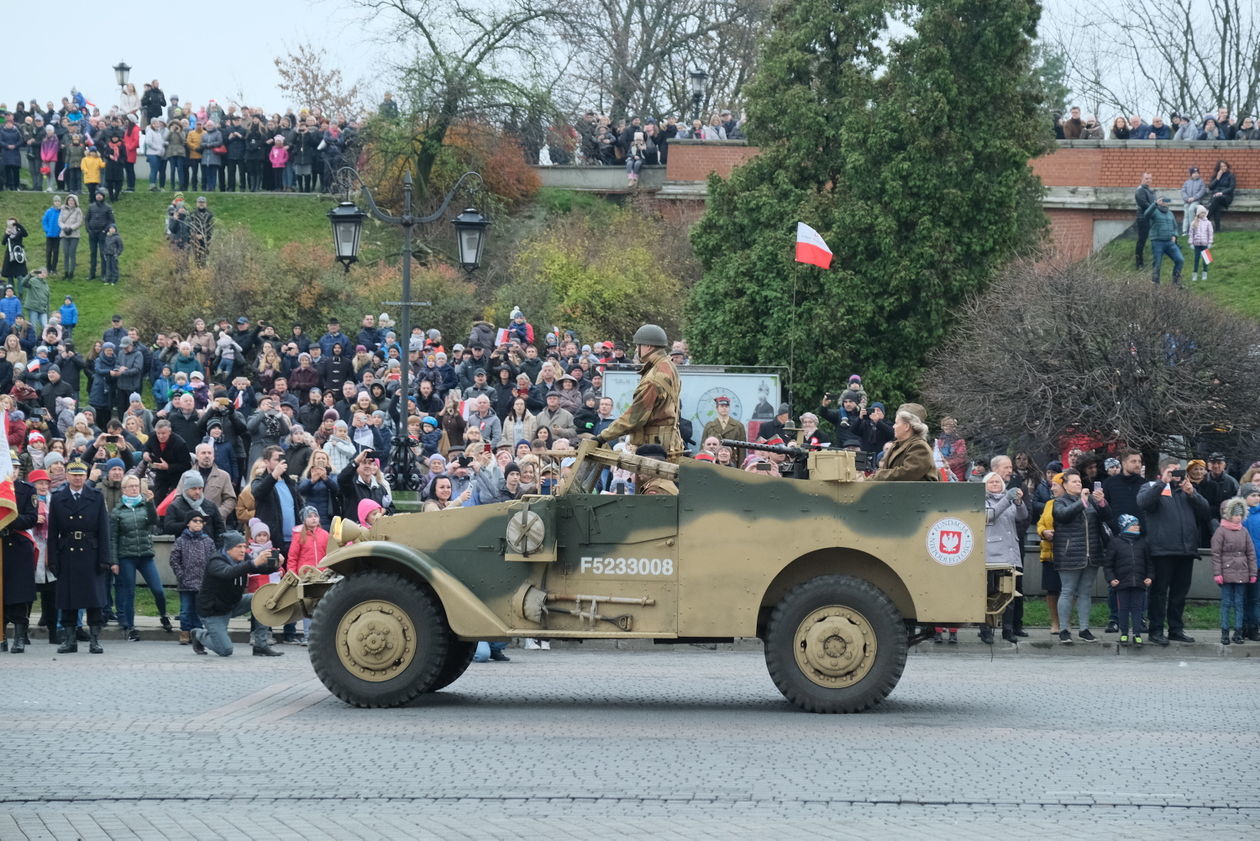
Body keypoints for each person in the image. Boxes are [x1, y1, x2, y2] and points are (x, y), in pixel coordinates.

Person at [1138, 457, 1209, 646]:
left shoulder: (1187, 491)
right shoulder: (1152, 487)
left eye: (1179, 471)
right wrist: (1163, 483)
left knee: (1179, 593)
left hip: (1186, 551)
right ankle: (1156, 630)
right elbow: (1144, 503)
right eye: (1172, 471)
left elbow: (1205, 511)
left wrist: (1192, 493)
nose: (1176, 475)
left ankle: (1176, 629)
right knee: (1159, 593)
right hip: (1162, 550)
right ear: (1162, 472)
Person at [49, 460, 112, 654]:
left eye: (81, 474)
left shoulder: (96, 496)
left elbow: (104, 530)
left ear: (86, 476)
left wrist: (105, 557)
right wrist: (52, 559)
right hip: (67, 552)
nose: (78, 478)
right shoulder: (58, 498)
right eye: (74, 474)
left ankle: (94, 640)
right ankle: (69, 641)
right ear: (67, 476)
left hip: (90, 552)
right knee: (68, 600)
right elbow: (52, 532)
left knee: (94, 600)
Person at [594, 324, 683, 460]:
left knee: (650, 482)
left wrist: (602, 437)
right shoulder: (668, 366)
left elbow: (634, 418)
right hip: (667, 442)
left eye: (638, 345)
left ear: (649, 346)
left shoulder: (654, 378)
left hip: (653, 448)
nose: (636, 349)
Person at [191, 530, 283, 657]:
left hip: (233, 604)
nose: (243, 550)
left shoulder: (243, 558)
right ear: (228, 549)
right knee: (226, 650)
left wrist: (276, 565)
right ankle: (199, 635)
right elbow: (229, 572)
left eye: (244, 546)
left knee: (263, 599)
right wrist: (254, 562)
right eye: (239, 547)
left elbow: (260, 568)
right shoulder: (215, 561)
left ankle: (260, 645)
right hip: (213, 611)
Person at [110, 474, 169, 642]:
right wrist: (114, 561)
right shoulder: (117, 511)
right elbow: (113, 538)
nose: (135, 488)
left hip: (145, 555)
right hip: (126, 556)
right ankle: (130, 627)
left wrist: (151, 503)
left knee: (158, 589)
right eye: (131, 486)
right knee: (129, 592)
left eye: (137, 486)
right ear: (124, 490)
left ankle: (164, 615)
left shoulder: (145, 504)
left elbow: (154, 521)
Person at [1052, 468, 1108, 643]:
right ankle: (1064, 630)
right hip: (1069, 554)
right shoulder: (1059, 502)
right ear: (1065, 485)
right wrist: (1082, 501)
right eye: (1074, 481)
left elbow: (1107, 517)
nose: (1078, 484)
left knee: (1085, 592)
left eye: (1079, 481)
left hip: (1091, 553)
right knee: (1067, 591)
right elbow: (1063, 516)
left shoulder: (1091, 501)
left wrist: (1101, 503)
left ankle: (1084, 629)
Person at [983, 471, 1027, 643]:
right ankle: (985, 629)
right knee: (988, 594)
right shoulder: (983, 500)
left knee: (1010, 595)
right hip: (992, 554)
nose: (995, 484)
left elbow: (1022, 516)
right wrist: (1007, 499)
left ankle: (1008, 630)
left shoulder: (1007, 499)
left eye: (998, 482)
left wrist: (1019, 502)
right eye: (991, 482)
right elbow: (990, 515)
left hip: (1010, 553)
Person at [1, 464, 39, 653]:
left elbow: (31, 518)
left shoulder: (27, 489)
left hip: (18, 545)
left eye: (15, 467)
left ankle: (19, 637)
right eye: (9, 466)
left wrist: (8, 520)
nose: (12, 471)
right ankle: (1, 637)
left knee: (19, 593)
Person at [1212, 497, 1256, 646]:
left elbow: (1251, 553)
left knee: (1239, 603)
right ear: (1228, 514)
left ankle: (1238, 632)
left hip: (1242, 573)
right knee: (1226, 603)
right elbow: (1216, 554)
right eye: (1235, 514)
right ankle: (1224, 631)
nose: (1238, 517)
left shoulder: (1244, 531)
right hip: (1226, 573)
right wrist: (1217, 573)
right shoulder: (1220, 531)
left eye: (1240, 514)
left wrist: (1253, 573)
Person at [1103, 514, 1152, 646]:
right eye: (1134, 525)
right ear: (1125, 526)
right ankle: (1124, 633)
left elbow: (1149, 563)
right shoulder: (1115, 542)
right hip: (1121, 582)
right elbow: (1108, 565)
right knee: (1122, 609)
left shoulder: (1143, 542)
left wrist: (1149, 577)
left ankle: (1137, 634)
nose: (1138, 527)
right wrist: (1111, 579)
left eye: (1138, 525)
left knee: (1138, 609)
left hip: (1139, 582)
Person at [869, 405, 937, 482]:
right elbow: (886, 469)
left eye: (896, 423)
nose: (893, 426)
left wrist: (879, 475)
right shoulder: (896, 445)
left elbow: (908, 473)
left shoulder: (919, 447)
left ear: (906, 426)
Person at [1143, 196, 1183, 286]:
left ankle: (1176, 283)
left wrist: (1174, 235)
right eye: (1163, 200)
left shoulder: (1170, 213)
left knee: (1180, 260)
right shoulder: (1154, 211)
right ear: (1159, 201)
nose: (1165, 202)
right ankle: (1155, 284)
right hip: (1157, 242)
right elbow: (1146, 214)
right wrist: (1155, 204)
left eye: (1166, 200)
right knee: (1157, 264)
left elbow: (1175, 227)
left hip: (1169, 242)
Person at [1205, 159, 1234, 232]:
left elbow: (1231, 188)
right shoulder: (1216, 176)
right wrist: (1217, 178)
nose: (1223, 168)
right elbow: (1211, 187)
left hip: (1226, 197)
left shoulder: (1230, 176)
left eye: (1224, 166)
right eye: (1221, 166)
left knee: (1216, 199)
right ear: (1218, 168)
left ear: (1227, 167)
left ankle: (1206, 219)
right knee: (1216, 206)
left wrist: (1222, 193)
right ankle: (1218, 229)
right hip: (1216, 197)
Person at [1133, 172, 1155, 269]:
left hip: (1149, 217)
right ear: (1141, 179)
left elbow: (1152, 203)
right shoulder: (1140, 190)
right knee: (1141, 241)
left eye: (1149, 179)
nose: (1148, 180)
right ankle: (1139, 263)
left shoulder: (1149, 190)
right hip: (1142, 218)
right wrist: (1155, 208)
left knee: (1146, 240)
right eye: (1146, 178)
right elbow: (1144, 204)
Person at [58, 196, 82, 280]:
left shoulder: (78, 210)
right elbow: (60, 221)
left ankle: (71, 272)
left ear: (75, 202)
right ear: (67, 201)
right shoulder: (63, 209)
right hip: (64, 234)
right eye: (69, 200)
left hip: (74, 235)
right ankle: (66, 272)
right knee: (65, 254)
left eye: (73, 200)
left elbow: (79, 222)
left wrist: (71, 228)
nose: (71, 201)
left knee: (72, 253)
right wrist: (64, 227)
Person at [1188, 205, 1213, 283]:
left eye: (1204, 213)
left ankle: (1205, 273)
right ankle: (1195, 274)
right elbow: (1191, 233)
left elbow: (1210, 233)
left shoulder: (1208, 223)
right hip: (1197, 244)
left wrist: (1210, 242)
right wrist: (1191, 242)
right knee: (1196, 259)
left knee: (1206, 259)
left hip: (1205, 243)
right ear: (1198, 214)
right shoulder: (1193, 222)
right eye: (1201, 213)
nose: (1203, 214)